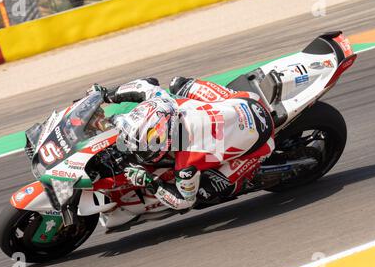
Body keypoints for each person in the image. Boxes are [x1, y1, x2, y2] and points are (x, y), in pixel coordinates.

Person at [90, 77, 275, 211]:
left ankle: (250, 175)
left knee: (204, 193)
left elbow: (183, 202)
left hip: (262, 142)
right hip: (244, 100)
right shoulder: (166, 104)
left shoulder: (187, 163)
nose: (140, 153)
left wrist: (150, 181)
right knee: (178, 83)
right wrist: (105, 95)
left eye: (145, 149)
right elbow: (144, 85)